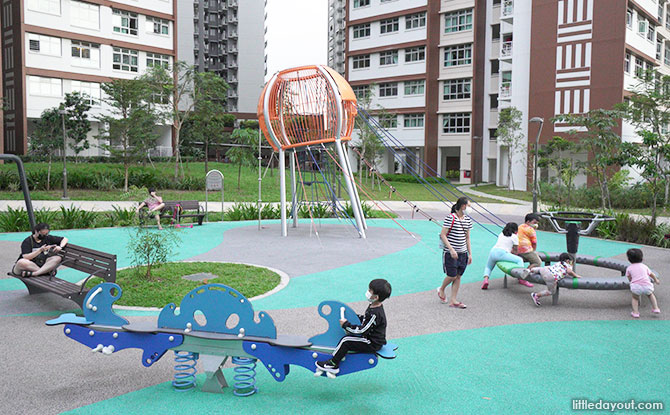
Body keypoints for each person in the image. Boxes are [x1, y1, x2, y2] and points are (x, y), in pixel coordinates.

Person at [315, 279, 391, 375]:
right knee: (348, 339)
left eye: (370, 290)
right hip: (370, 338)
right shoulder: (374, 306)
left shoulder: (375, 313)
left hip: (372, 343)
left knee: (346, 341)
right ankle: (335, 359)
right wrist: (355, 317)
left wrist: (346, 325)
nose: (368, 292)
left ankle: (333, 364)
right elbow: (366, 320)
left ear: (375, 297)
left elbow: (363, 330)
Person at [436, 197, 473, 308]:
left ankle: (453, 300)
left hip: (463, 253)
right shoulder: (450, 218)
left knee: (458, 276)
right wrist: (451, 249)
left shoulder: (468, 220)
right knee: (451, 275)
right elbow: (443, 235)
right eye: (469, 206)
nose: (470, 208)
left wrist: (470, 253)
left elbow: (467, 238)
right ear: (463, 206)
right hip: (450, 253)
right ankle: (441, 289)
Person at [481, 222, 525, 290]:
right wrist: (512, 254)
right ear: (515, 230)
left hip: (493, 251)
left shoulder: (501, 234)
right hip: (502, 253)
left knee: (488, 267)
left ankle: (486, 280)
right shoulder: (514, 236)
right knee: (520, 260)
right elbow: (515, 251)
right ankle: (521, 277)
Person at [625, 248, 661, 318]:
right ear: (642, 258)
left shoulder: (629, 268)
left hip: (636, 287)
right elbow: (651, 274)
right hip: (647, 285)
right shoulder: (644, 266)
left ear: (629, 259)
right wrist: (656, 280)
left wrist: (631, 281)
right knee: (650, 295)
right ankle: (656, 308)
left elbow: (629, 277)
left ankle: (635, 312)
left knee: (635, 298)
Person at [516, 213, 543, 287]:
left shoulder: (520, 226)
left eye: (537, 223)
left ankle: (522, 274)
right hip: (526, 250)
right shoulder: (531, 230)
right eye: (534, 223)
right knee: (537, 262)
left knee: (527, 258)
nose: (536, 225)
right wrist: (533, 250)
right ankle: (523, 277)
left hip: (517, 249)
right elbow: (534, 242)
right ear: (528, 222)